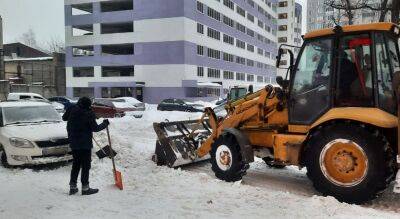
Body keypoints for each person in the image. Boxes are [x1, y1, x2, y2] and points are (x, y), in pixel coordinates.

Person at [62, 97, 109, 195]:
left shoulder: (71, 108)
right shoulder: (89, 113)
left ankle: (73, 187)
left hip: (74, 142)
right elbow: (95, 128)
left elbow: (64, 118)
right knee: (85, 166)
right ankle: (85, 188)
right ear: (88, 105)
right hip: (84, 144)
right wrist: (104, 124)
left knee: (76, 165)